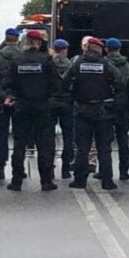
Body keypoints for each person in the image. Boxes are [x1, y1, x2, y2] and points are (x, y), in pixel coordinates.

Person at [3, 30, 62, 191]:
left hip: (22, 107)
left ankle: (16, 181)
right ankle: (46, 181)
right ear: (39, 42)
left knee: (19, 144)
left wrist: (13, 96)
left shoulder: (17, 60)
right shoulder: (46, 60)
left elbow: (7, 83)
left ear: (26, 41)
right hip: (42, 107)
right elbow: (57, 84)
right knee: (44, 145)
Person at [61, 37, 120, 189]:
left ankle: (80, 180)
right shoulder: (106, 64)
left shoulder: (77, 64)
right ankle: (107, 181)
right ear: (99, 49)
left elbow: (64, 82)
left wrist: (74, 96)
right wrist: (112, 97)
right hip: (103, 111)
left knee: (82, 148)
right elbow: (120, 81)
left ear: (87, 48)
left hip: (82, 110)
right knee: (104, 149)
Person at [0, 28, 22, 180]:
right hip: (19, 100)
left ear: (5, 38)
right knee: (19, 135)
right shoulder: (22, 57)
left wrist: (3, 97)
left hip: (1, 101)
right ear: (17, 39)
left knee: (1, 135)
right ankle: (19, 168)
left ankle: (0, 167)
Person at [104, 38, 129, 181]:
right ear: (119, 49)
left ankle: (105, 171)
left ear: (106, 49)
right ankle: (124, 171)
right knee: (123, 140)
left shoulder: (103, 64)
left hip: (106, 106)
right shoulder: (128, 66)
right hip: (122, 107)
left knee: (105, 141)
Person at [50, 39, 76, 179]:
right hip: (67, 103)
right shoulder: (72, 65)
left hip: (51, 102)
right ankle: (66, 169)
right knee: (68, 136)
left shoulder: (49, 64)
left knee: (49, 136)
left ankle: (50, 168)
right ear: (65, 50)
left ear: (54, 49)